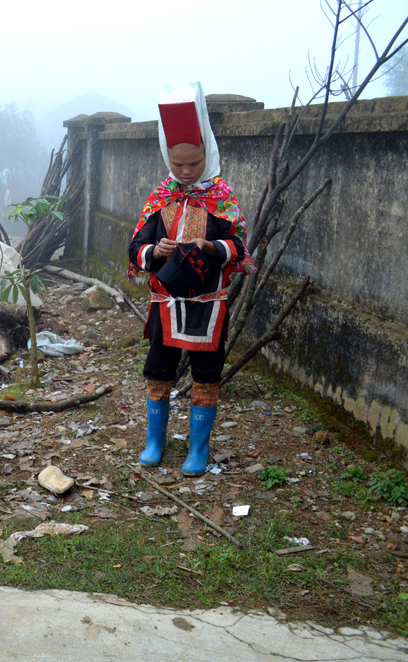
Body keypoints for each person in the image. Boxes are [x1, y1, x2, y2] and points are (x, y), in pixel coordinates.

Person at [128, 81, 254, 476]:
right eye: (178, 164)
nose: (184, 172)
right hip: (165, 303)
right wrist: (155, 252)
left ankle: (198, 449)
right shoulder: (162, 195)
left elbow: (239, 245)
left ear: (208, 155)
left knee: (206, 373)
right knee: (157, 369)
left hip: (207, 305)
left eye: (193, 164)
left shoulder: (222, 198)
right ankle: (155, 440)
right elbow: (135, 247)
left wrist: (212, 247)